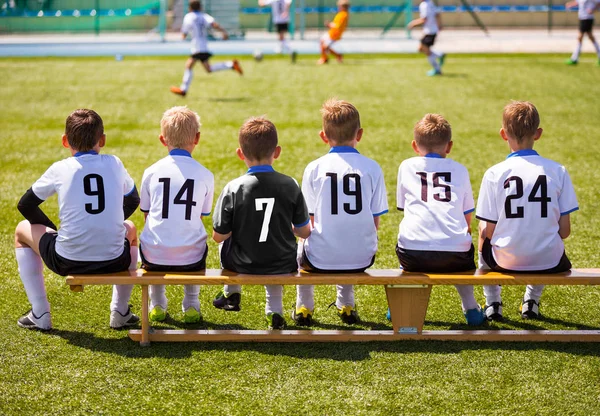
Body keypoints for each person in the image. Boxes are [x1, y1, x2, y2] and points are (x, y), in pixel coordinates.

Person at [14, 109, 140, 331]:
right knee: (130, 228)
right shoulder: (115, 163)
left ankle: (40, 313)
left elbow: (26, 204)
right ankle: (120, 311)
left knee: (21, 231)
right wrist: (110, 222)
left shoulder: (60, 168)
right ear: (102, 140)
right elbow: (133, 199)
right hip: (114, 260)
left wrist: (51, 231)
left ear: (65, 141)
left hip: (66, 259)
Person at [476, 101, 578, 321]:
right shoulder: (558, 170)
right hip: (550, 261)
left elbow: (488, 232)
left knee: (482, 228)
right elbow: (565, 231)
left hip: (505, 260)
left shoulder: (494, 173)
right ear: (538, 133)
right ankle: (531, 301)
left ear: (503, 134)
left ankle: (493, 302)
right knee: (544, 231)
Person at [293, 99, 388, 326]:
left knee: (302, 240)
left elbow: (309, 222)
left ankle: (304, 306)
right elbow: (375, 222)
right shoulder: (372, 167)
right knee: (350, 231)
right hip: (363, 257)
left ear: (323, 136)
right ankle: (346, 302)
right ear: (360, 134)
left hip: (320, 258)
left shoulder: (314, 168)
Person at [211, 117, 311, 329]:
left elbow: (219, 235)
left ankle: (231, 292)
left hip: (242, 263)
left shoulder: (233, 187)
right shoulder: (290, 184)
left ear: (240, 154)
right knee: (277, 247)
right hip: (283, 262)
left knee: (225, 241)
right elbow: (303, 232)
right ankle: (274, 310)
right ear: (277, 152)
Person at [395, 114, 484, 326]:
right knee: (461, 250)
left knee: (407, 238)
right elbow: (467, 217)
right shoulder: (460, 169)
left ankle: (400, 307)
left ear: (415, 146)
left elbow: (404, 209)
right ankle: (471, 307)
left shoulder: (406, 166)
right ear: (449, 146)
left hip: (412, 253)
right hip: (456, 254)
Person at [139, 106, 214, 324]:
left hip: (154, 256)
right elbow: (200, 216)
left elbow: (146, 214)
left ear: (163, 140)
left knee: (155, 236)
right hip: (191, 258)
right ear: (197, 138)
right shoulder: (205, 174)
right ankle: (191, 303)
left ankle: (158, 304)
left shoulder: (151, 171)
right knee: (196, 237)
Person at [170, 0, 243, 97]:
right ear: (200, 7)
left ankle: (183, 90)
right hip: (203, 45)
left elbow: (184, 33)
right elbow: (214, 24)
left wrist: (183, 36)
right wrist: (223, 32)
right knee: (208, 69)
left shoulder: (188, 17)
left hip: (196, 46)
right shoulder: (204, 16)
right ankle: (231, 65)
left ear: (190, 8)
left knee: (189, 66)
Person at [407, 0, 446, 76]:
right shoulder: (431, 3)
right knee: (421, 48)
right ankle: (440, 54)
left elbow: (424, 19)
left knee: (427, 51)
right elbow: (437, 14)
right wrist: (439, 26)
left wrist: (413, 24)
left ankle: (437, 69)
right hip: (431, 30)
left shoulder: (424, 5)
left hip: (430, 31)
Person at [565, 0, 600, 65]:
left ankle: (574, 58)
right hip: (582, 18)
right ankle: (574, 58)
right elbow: (578, 2)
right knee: (590, 37)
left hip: (587, 18)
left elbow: (598, 3)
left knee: (580, 37)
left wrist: (593, 10)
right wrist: (570, 4)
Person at [318, 0, 350, 65]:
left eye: (340, 6)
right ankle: (331, 56)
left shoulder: (344, 15)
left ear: (344, 7)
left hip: (335, 34)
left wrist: (329, 24)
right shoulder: (340, 14)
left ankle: (326, 58)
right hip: (331, 32)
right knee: (322, 42)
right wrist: (330, 24)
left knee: (324, 46)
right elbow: (336, 23)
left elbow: (338, 26)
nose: (338, 7)